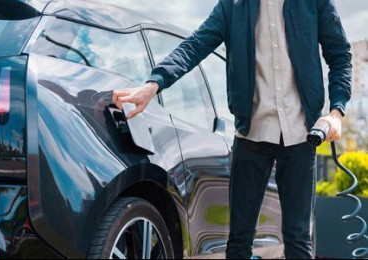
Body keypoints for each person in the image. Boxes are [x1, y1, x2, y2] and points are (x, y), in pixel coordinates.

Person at [113, 0, 352, 258]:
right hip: (251, 136)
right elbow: (195, 45)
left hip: (301, 134)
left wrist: (337, 111)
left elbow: (340, 55)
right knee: (239, 240)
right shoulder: (232, 7)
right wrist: (154, 84)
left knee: (298, 238)